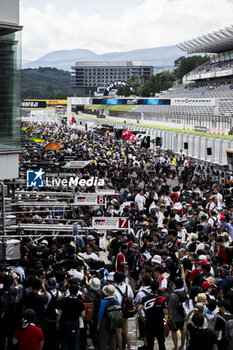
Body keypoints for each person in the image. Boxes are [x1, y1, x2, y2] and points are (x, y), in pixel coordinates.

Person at [138, 280, 167, 350]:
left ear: (150, 288)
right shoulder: (162, 299)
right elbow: (165, 312)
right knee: (161, 343)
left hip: (149, 324)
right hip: (159, 324)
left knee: (150, 344)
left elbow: (138, 309)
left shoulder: (145, 298)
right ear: (158, 288)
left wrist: (143, 318)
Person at [57, 283, 85, 350]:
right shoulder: (80, 303)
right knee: (75, 343)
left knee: (64, 343)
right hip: (75, 325)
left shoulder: (63, 301)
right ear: (77, 292)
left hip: (64, 324)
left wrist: (57, 323)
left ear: (69, 290)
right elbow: (83, 315)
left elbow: (59, 313)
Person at [114, 272, 134, 350]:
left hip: (118, 311)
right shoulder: (127, 287)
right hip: (126, 311)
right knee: (126, 331)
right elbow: (131, 296)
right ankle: (129, 347)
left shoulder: (114, 288)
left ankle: (120, 348)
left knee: (119, 332)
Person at [97, 284, 120, 350]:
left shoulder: (104, 302)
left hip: (104, 323)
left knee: (103, 341)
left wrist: (98, 324)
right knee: (113, 342)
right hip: (114, 323)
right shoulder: (117, 301)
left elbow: (100, 313)